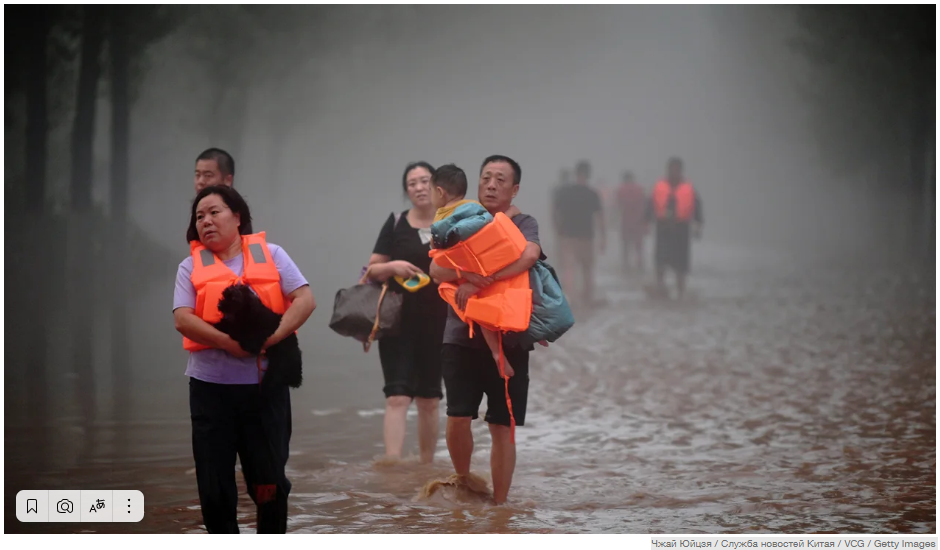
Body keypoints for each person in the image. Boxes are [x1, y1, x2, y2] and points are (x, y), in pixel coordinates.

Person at [172, 185, 316, 533]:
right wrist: (229, 344)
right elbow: (183, 319)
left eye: (214, 212)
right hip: (210, 393)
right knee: (214, 488)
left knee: (269, 484)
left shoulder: (273, 254)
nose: (206, 221)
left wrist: (272, 339)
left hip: (265, 391)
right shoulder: (189, 267)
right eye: (199, 217)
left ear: (237, 217)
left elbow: (305, 300)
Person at [429, 154, 544, 505]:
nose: (491, 185)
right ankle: (463, 481)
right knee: (457, 416)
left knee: (502, 425)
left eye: (500, 180)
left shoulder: (524, 223)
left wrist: (485, 278)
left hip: (510, 337)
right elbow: (435, 271)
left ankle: (501, 506)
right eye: (486, 178)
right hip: (460, 335)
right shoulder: (460, 219)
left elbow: (529, 256)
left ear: (514, 189)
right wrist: (466, 274)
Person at [365, 161, 448, 463]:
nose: (419, 187)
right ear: (406, 190)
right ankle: (392, 466)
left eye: (424, 181)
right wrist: (393, 266)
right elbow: (372, 269)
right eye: (412, 183)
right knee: (397, 396)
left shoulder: (449, 222)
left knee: (429, 399)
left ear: (437, 185)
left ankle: (426, 466)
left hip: (438, 323)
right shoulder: (396, 223)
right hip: (396, 323)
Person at [430, 163, 521, 377]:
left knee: (479, 313)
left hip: (467, 269)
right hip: (480, 266)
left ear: (440, 192)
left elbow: (436, 249)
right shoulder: (471, 206)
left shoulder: (442, 215)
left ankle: (497, 353)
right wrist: (510, 213)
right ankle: (499, 352)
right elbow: (493, 226)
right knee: (486, 312)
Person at [645, 157, 703, 298]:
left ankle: (680, 293)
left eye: (677, 169)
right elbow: (650, 205)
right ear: (668, 169)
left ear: (681, 170)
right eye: (672, 168)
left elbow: (697, 208)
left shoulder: (688, 188)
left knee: (681, 265)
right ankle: (660, 289)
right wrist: (646, 222)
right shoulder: (659, 187)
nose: (674, 172)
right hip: (663, 228)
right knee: (660, 262)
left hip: (681, 229)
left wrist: (698, 226)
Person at [552, 160, 606, 307]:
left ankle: (571, 298)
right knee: (586, 269)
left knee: (570, 268)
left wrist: (557, 230)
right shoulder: (592, 194)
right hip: (586, 237)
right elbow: (600, 217)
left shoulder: (564, 193)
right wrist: (603, 238)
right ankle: (586, 298)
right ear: (588, 175)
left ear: (576, 174)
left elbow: (555, 212)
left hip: (567, 236)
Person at [616, 171, 648, 273]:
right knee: (638, 245)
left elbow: (617, 206)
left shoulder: (621, 190)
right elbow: (645, 205)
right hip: (638, 221)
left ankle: (626, 265)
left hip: (626, 220)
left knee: (626, 245)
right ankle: (640, 264)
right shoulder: (639, 189)